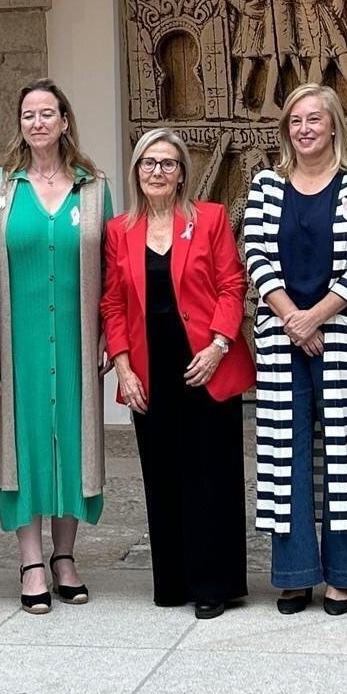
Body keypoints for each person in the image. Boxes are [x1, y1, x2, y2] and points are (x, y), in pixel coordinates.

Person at [241, 84, 347, 615]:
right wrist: (293, 320)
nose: (304, 129)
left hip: (343, 336)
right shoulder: (265, 184)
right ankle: (295, 573)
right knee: (285, 452)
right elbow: (255, 254)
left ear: (333, 126)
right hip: (283, 338)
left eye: (314, 119)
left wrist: (315, 317)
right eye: (295, 121)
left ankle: (346, 575)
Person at [101, 129, 253, 617]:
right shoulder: (119, 230)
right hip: (150, 370)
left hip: (205, 363)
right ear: (136, 172)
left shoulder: (209, 218)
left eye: (168, 163)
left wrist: (218, 345)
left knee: (211, 476)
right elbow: (113, 302)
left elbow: (232, 285)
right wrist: (123, 367)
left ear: (182, 173)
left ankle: (214, 585)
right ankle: (173, 581)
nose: (158, 171)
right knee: (162, 475)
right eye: (148, 163)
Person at [0, 80, 113, 613]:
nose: (37, 123)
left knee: (72, 438)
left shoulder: (94, 188)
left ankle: (64, 556)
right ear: (21, 124)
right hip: (16, 340)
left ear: (64, 121)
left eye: (47, 114)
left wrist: (110, 332)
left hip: (77, 337)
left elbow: (113, 269)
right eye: (28, 114)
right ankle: (31, 560)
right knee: (24, 442)